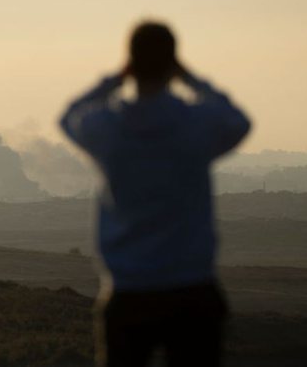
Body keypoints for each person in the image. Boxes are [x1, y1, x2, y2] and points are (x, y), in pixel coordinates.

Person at [60, 21, 251, 367]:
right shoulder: (196, 126)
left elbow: (69, 116)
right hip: (192, 288)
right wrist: (191, 79)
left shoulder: (108, 130)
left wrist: (113, 81)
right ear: (172, 64)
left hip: (129, 290)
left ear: (130, 64)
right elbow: (238, 121)